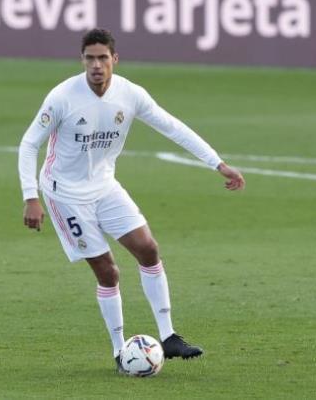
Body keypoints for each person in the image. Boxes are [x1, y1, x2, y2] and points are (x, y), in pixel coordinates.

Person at [18, 28, 245, 373]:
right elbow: (29, 143)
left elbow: (172, 126)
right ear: (82, 60)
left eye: (102, 58)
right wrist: (30, 197)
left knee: (148, 249)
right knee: (108, 272)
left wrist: (218, 163)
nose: (96, 65)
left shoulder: (130, 94)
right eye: (90, 58)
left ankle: (168, 337)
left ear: (115, 59)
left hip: (105, 187)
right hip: (65, 195)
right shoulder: (63, 97)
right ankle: (119, 351)